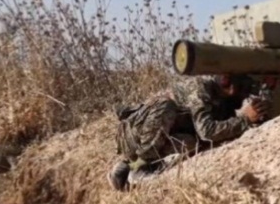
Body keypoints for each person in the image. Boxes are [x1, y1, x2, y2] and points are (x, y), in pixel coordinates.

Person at [107, 74, 270, 191]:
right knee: (166, 106)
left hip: (156, 135)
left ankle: (129, 166)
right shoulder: (200, 88)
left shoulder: (225, 97)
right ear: (228, 82)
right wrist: (245, 119)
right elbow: (207, 131)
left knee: (192, 143)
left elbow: (213, 132)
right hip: (131, 133)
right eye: (242, 86)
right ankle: (139, 169)